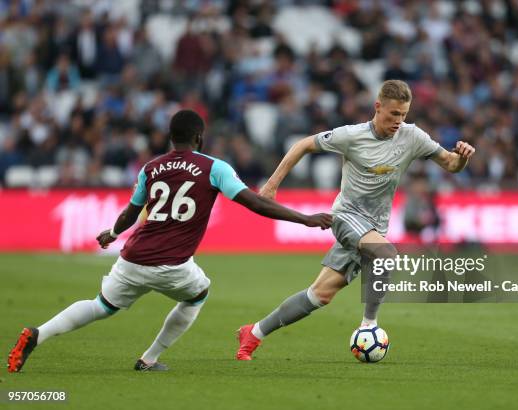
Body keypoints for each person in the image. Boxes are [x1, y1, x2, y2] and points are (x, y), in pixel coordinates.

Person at [7, 109, 332, 373]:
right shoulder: (215, 168)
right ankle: (149, 358)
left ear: (171, 138)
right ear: (200, 137)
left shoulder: (151, 168)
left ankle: (39, 333)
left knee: (101, 305)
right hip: (172, 264)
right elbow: (256, 203)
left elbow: (131, 213)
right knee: (198, 293)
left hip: (132, 258)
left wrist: (113, 234)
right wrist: (306, 218)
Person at [236, 80, 475, 360]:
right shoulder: (351, 136)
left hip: (374, 228)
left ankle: (253, 333)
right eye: (393, 114)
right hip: (346, 217)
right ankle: (369, 327)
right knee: (386, 253)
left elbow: (450, 164)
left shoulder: (412, 136)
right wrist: (272, 186)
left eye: (404, 115)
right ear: (378, 107)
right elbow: (303, 145)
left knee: (319, 295)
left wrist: (463, 158)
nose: (399, 121)